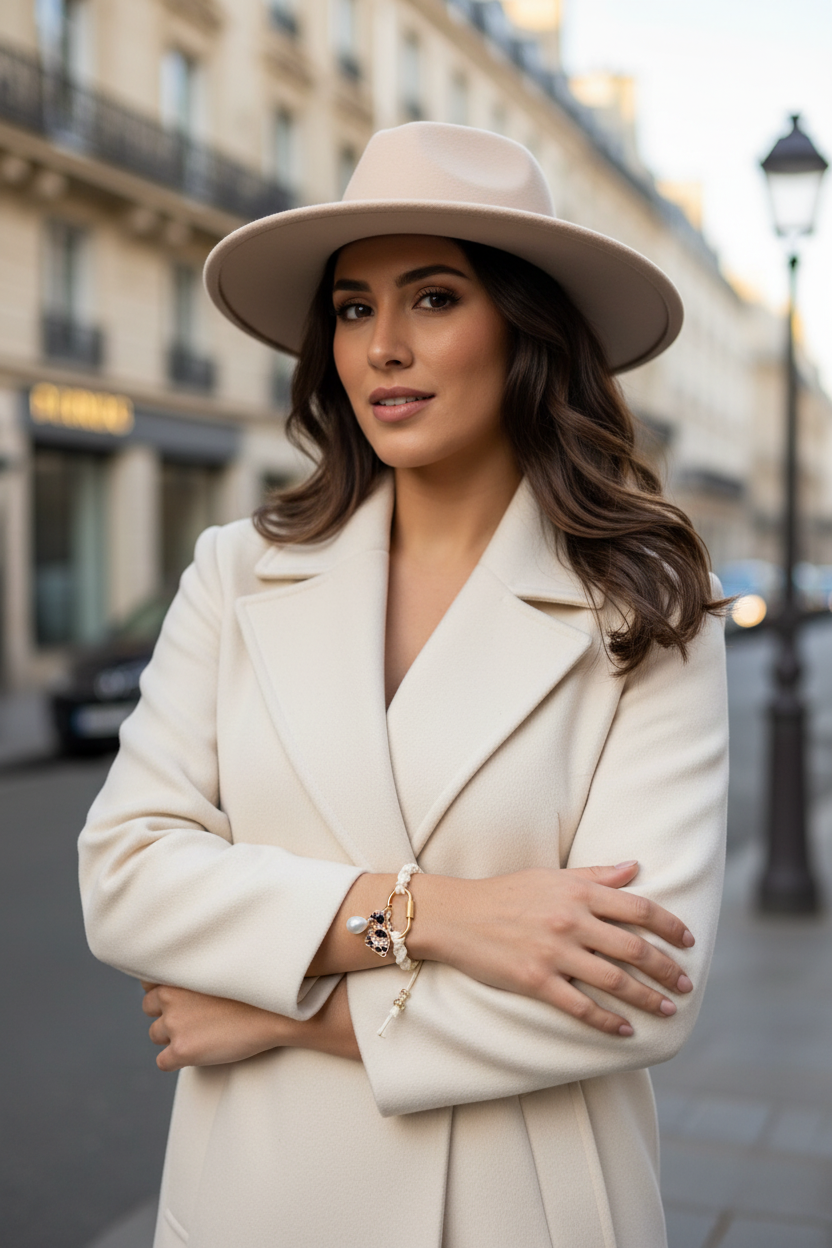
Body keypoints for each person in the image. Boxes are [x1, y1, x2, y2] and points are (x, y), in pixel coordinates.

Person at [78, 122, 729, 1248]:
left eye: (433, 298)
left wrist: (286, 1013)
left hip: (519, 1201)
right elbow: (127, 876)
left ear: (527, 329)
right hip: (256, 1198)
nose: (382, 346)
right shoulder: (238, 573)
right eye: (352, 308)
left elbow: (637, 992)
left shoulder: (645, 604)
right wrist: (445, 916)